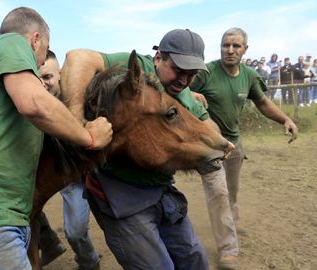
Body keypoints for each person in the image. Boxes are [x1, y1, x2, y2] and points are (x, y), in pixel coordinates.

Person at [0, 7, 113, 270]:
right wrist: (88, 137)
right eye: (45, 49)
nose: (41, 63)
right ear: (35, 39)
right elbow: (35, 105)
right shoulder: (10, 43)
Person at [60, 29, 233, 270]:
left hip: (160, 191)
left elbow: (204, 122)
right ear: (159, 57)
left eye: (191, 75)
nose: (184, 80)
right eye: (179, 70)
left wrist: (220, 141)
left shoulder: (181, 92)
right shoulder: (136, 68)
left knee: (195, 260)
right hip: (120, 195)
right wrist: (76, 124)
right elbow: (78, 57)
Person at [190, 27, 298, 270]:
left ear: (245, 49)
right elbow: (181, 88)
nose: (230, 50)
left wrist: (285, 120)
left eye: (235, 46)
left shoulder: (248, 75)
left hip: (235, 143)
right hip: (209, 144)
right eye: (225, 45)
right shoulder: (207, 72)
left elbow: (262, 102)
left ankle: (232, 222)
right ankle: (228, 249)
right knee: (218, 193)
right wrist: (192, 93)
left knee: (232, 190)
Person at [38, 50, 101, 270]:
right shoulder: (34, 103)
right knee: (74, 232)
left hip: (98, 175)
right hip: (69, 180)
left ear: (61, 74)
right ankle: (89, 261)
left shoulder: (82, 95)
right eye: (37, 79)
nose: (43, 84)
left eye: (47, 77)